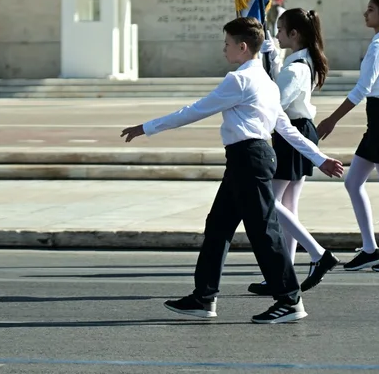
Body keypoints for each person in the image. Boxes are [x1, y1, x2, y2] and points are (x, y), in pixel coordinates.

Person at [121, 17, 344, 324]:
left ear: (242, 47)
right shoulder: (265, 81)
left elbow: (195, 110)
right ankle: (204, 298)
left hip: (248, 159)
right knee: (218, 227)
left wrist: (146, 127)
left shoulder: (238, 80)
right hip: (252, 157)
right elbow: (287, 130)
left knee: (263, 231)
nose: (223, 49)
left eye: (227, 44)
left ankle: (290, 300)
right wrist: (320, 159)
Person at [316, 0, 379, 273]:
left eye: (371, 10)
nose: (365, 13)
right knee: (355, 182)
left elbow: (363, 89)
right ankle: (371, 250)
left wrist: (332, 120)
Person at [248, 8, 340, 296]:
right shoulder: (301, 62)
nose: (276, 35)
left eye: (280, 30)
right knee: (288, 205)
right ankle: (283, 273)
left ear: (294, 34)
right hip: (300, 129)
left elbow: (275, 101)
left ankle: (317, 254)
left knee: (270, 203)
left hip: (292, 133)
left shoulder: (297, 67)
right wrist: (274, 59)